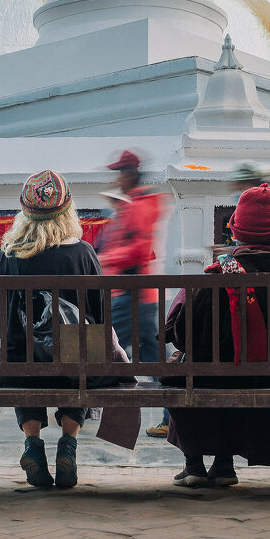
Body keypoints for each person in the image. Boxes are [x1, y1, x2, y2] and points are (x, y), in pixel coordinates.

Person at [0, 170, 104, 488]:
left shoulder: (10, 255)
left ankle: (33, 443)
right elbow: (98, 316)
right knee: (84, 351)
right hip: (73, 366)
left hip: (23, 364)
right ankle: (68, 442)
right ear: (68, 212)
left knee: (18, 353)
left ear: (25, 214)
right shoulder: (83, 253)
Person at [166, 182, 270, 487]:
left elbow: (181, 334)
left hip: (215, 380)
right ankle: (223, 463)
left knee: (185, 370)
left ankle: (198, 464)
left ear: (237, 231)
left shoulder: (218, 276)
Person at [98, 150, 170, 437]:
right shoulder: (134, 205)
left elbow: (139, 251)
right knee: (154, 360)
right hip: (138, 295)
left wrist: (106, 259)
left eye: (120, 173)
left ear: (130, 174)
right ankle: (172, 414)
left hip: (132, 294)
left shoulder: (139, 206)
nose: (117, 179)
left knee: (104, 350)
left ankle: (82, 411)